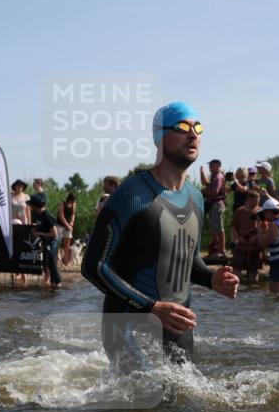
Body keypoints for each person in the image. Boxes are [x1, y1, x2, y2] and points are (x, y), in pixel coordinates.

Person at [82, 101, 238, 372]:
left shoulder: (196, 198)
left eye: (198, 128)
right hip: (126, 326)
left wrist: (212, 279)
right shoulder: (132, 193)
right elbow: (93, 266)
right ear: (160, 137)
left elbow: (187, 259)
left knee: (180, 405)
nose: (193, 134)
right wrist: (152, 307)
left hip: (177, 324)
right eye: (182, 127)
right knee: (145, 403)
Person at [230, 189, 265, 282]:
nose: (256, 204)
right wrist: (238, 238)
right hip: (241, 243)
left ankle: (253, 290)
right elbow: (233, 226)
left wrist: (256, 236)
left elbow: (264, 227)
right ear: (248, 200)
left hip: (255, 244)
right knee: (236, 270)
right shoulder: (240, 211)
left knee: (253, 272)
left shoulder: (261, 211)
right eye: (254, 201)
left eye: (257, 201)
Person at [28, 193, 60, 287]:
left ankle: (56, 284)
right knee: (46, 265)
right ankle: (50, 284)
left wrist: (39, 233)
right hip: (47, 242)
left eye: (31, 205)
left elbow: (55, 234)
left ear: (35, 206)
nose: (30, 207)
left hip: (53, 242)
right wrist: (35, 228)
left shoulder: (47, 216)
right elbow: (41, 225)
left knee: (52, 265)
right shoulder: (38, 214)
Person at [199, 159, 226, 256]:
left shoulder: (218, 177)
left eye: (212, 165)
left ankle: (221, 250)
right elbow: (205, 183)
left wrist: (204, 191)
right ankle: (216, 249)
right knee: (214, 227)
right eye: (209, 165)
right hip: (213, 205)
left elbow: (215, 191)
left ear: (218, 166)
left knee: (219, 227)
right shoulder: (214, 177)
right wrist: (202, 172)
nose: (210, 166)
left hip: (217, 204)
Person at [57, 193, 76, 266]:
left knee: (67, 243)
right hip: (60, 225)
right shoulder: (62, 203)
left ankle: (66, 260)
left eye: (73, 201)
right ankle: (57, 259)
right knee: (58, 243)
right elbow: (61, 216)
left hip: (68, 225)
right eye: (72, 201)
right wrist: (67, 225)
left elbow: (73, 214)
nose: (72, 202)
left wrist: (71, 222)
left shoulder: (74, 204)